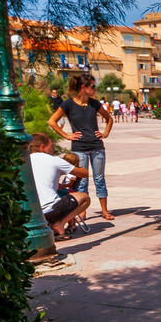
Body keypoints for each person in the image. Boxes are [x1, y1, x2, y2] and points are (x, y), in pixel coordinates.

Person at [50, 72, 115, 221]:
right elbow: (52, 121)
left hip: (97, 146)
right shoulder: (68, 104)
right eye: (92, 86)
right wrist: (66, 135)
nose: (95, 89)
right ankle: (81, 211)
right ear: (83, 87)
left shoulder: (94, 103)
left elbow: (108, 119)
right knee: (82, 180)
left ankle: (104, 211)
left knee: (99, 179)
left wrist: (105, 133)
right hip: (79, 148)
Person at [29, 133, 89, 238]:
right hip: (50, 211)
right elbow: (84, 173)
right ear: (42, 147)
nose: (53, 149)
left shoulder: (24, 160)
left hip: (30, 214)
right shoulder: (54, 160)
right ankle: (60, 223)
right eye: (51, 146)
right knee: (84, 198)